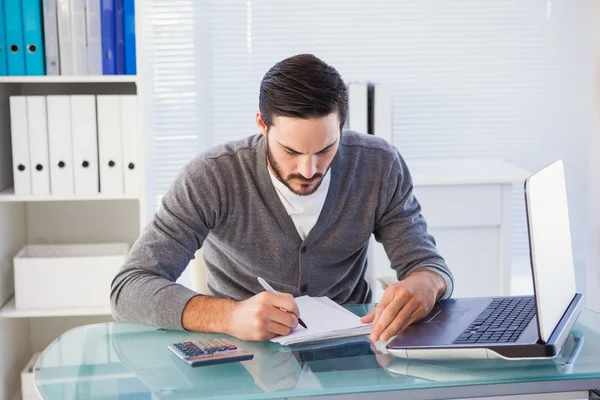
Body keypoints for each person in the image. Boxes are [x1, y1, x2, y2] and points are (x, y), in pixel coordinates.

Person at [110, 53, 454, 344]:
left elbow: (428, 265)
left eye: (325, 149)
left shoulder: (378, 165)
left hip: (349, 353)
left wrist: (427, 283)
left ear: (342, 127)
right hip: (242, 356)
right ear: (262, 124)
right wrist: (229, 316)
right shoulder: (211, 177)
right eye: (290, 151)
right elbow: (129, 288)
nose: (308, 169)